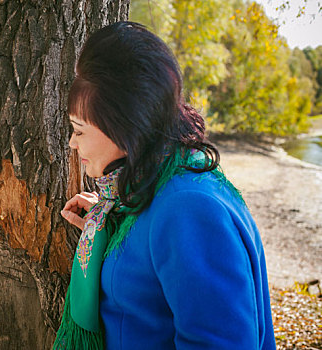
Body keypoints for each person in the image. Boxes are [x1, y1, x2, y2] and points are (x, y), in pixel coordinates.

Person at [54, 22, 276, 349]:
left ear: (124, 126)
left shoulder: (189, 210)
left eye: (80, 130)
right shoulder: (150, 187)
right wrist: (112, 225)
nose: (73, 143)